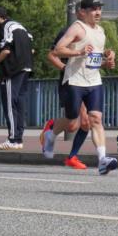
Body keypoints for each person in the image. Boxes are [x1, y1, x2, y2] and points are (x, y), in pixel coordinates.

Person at [41, 0, 118, 175]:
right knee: (71, 121)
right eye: (93, 9)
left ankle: (102, 160)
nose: (98, 12)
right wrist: (78, 52)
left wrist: (107, 58)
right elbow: (57, 50)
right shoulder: (77, 28)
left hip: (94, 81)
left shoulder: (100, 31)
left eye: (99, 9)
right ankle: (50, 135)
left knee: (96, 119)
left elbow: (93, 60)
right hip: (75, 81)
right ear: (82, 11)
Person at [40, 27, 92, 170]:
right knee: (72, 125)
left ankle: (72, 157)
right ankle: (51, 128)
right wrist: (65, 68)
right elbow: (51, 55)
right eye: (93, 10)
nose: (97, 14)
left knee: (86, 122)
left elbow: (96, 54)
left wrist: (108, 54)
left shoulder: (96, 32)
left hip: (88, 81)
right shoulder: (68, 32)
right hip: (70, 82)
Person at [0, 6, 34, 150]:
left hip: (12, 70)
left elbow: (6, 50)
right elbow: (32, 48)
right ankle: (19, 139)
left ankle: (13, 139)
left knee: (9, 104)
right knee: (20, 104)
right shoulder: (21, 26)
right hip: (26, 67)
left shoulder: (5, 27)